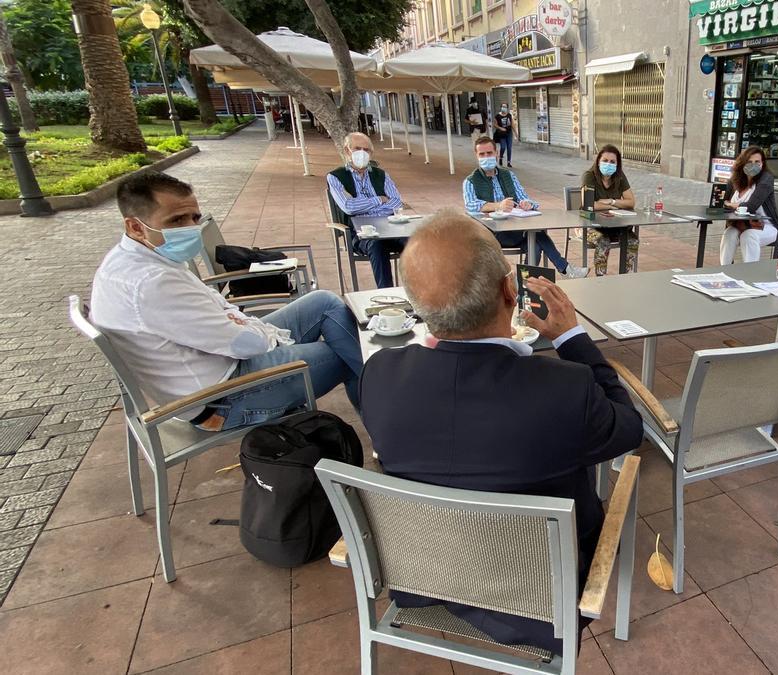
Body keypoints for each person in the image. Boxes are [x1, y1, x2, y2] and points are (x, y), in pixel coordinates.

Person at [360, 210, 642, 655]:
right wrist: (572, 339)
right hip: (540, 602)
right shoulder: (564, 390)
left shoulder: (379, 376)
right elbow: (628, 429)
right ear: (510, 291)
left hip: (422, 579)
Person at [91, 172, 363, 431]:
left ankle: (388, 391)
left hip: (217, 365)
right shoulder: (150, 282)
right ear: (136, 226)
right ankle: (393, 436)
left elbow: (223, 310)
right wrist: (248, 327)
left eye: (194, 218)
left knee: (324, 302)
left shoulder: (134, 259)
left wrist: (238, 322)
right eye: (176, 220)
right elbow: (249, 344)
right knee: (349, 355)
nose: (190, 228)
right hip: (223, 398)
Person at [463, 135, 588, 278]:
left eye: (489, 153)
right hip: (490, 235)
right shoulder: (470, 181)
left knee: (535, 239)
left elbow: (525, 197)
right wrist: (498, 206)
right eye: (482, 154)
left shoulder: (508, 175)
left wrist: (527, 204)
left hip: (515, 230)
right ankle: (564, 270)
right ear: (476, 156)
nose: (486, 157)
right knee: (538, 237)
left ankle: (523, 282)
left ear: (496, 153)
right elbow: (470, 205)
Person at [326, 132, 406, 288]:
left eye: (366, 150)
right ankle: (387, 296)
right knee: (376, 245)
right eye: (357, 148)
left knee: (415, 242)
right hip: (361, 232)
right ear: (347, 150)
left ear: (371, 153)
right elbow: (349, 207)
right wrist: (379, 199)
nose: (362, 153)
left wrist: (362, 205)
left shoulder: (381, 175)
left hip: (389, 228)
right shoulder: (336, 177)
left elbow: (396, 203)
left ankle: (420, 294)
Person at [580, 145, 638, 275]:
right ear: (598, 160)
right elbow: (588, 205)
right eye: (605, 160)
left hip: (615, 226)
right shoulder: (589, 176)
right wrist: (614, 206)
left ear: (617, 164)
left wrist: (611, 201)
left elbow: (631, 202)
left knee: (633, 240)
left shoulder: (619, 176)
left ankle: (625, 275)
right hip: (589, 226)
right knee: (603, 241)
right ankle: (601, 278)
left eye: (612, 162)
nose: (608, 164)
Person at [721, 146, 778, 264]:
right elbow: (722, 202)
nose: (753, 165)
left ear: (762, 164)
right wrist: (728, 204)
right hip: (740, 224)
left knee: (748, 236)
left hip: (766, 226)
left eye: (757, 162)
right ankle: (724, 271)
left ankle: (750, 273)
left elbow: (751, 206)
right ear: (743, 163)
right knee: (729, 233)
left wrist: (731, 204)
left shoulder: (766, 178)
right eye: (749, 162)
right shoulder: (735, 179)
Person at [493, 103, 514, 167]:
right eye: (502, 106)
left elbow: (512, 124)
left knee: (509, 148)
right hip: (502, 134)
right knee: (503, 147)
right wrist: (500, 128)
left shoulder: (509, 115)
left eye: (505, 107)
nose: (503, 108)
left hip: (509, 133)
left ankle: (509, 162)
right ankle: (501, 157)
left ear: (507, 108)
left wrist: (516, 133)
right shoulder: (497, 116)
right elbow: (495, 125)